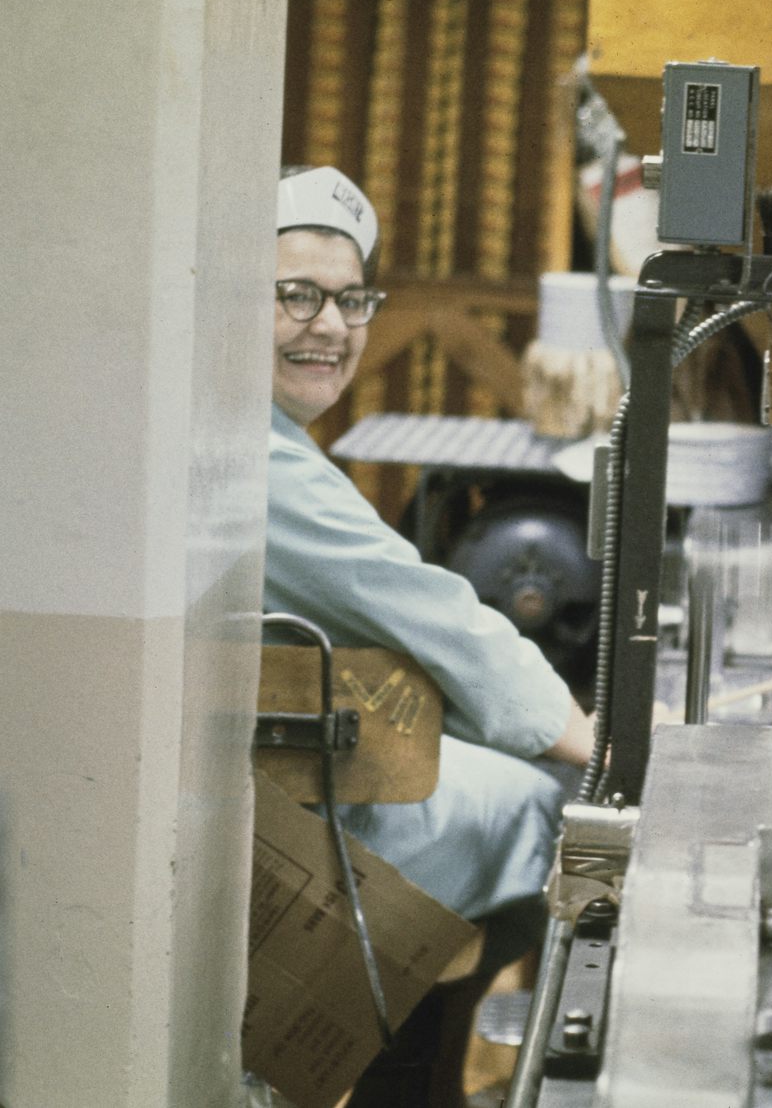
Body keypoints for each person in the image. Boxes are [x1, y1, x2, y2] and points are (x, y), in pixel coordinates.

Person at [262, 166, 596, 1101]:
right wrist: (585, 737)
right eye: (295, 296)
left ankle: (415, 1068)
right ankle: (406, 1078)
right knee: (550, 812)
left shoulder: (272, 439)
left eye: (350, 299)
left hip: (288, 770)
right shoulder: (254, 461)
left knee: (522, 791)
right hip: (276, 809)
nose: (328, 325)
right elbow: (424, 607)